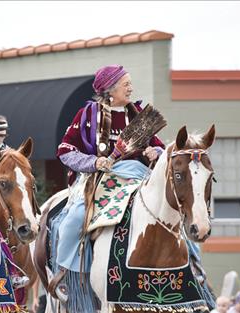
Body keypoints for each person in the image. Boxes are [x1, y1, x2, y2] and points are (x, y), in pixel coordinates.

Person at [50, 65, 164, 310]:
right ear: (110, 90)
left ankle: (193, 272)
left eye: (131, 83)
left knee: (171, 213)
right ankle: (66, 277)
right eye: (126, 84)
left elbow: (160, 147)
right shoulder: (88, 114)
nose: (131, 88)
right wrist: (94, 161)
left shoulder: (139, 114)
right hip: (103, 180)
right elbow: (65, 150)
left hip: (139, 178)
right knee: (73, 220)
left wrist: (155, 152)